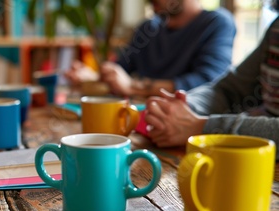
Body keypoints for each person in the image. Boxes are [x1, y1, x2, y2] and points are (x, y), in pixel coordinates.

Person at [144, 15, 279, 158]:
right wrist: (183, 109)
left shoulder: (217, 22)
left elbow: (205, 76)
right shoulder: (276, 28)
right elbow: (229, 89)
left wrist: (199, 127)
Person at [66, 0, 236, 97]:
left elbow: (209, 82)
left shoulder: (217, 23)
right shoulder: (148, 28)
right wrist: (93, 77)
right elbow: (120, 70)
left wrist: (133, 87)